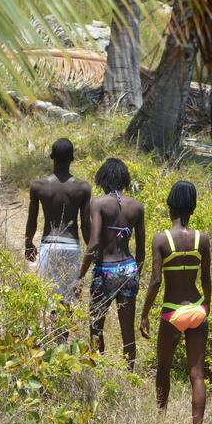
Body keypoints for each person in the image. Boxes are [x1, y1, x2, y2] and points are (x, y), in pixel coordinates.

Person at [139, 181, 211, 424]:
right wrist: (207, 305)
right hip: (197, 309)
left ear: (170, 205)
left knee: (164, 368)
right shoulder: (202, 239)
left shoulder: (161, 239)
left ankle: (161, 420)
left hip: (172, 312)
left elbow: (156, 281)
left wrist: (145, 313)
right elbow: (206, 278)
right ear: (192, 207)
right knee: (197, 374)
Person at [78, 158, 145, 369]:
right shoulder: (137, 207)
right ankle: (130, 373)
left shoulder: (98, 204)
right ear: (124, 179)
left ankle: (97, 371)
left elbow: (95, 241)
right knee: (128, 330)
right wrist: (137, 274)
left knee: (96, 326)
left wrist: (81, 275)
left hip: (106, 270)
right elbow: (141, 249)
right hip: (129, 268)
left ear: (103, 179)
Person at [24, 138, 92, 320]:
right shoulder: (83, 188)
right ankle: (62, 340)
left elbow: (32, 220)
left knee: (52, 296)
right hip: (72, 247)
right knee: (67, 298)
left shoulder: (38, 186)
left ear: (51, 157)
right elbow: (86, 225)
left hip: (49, 245)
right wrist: (93, 250)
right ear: (72, 159)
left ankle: (55, 341)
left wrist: (28, 243)